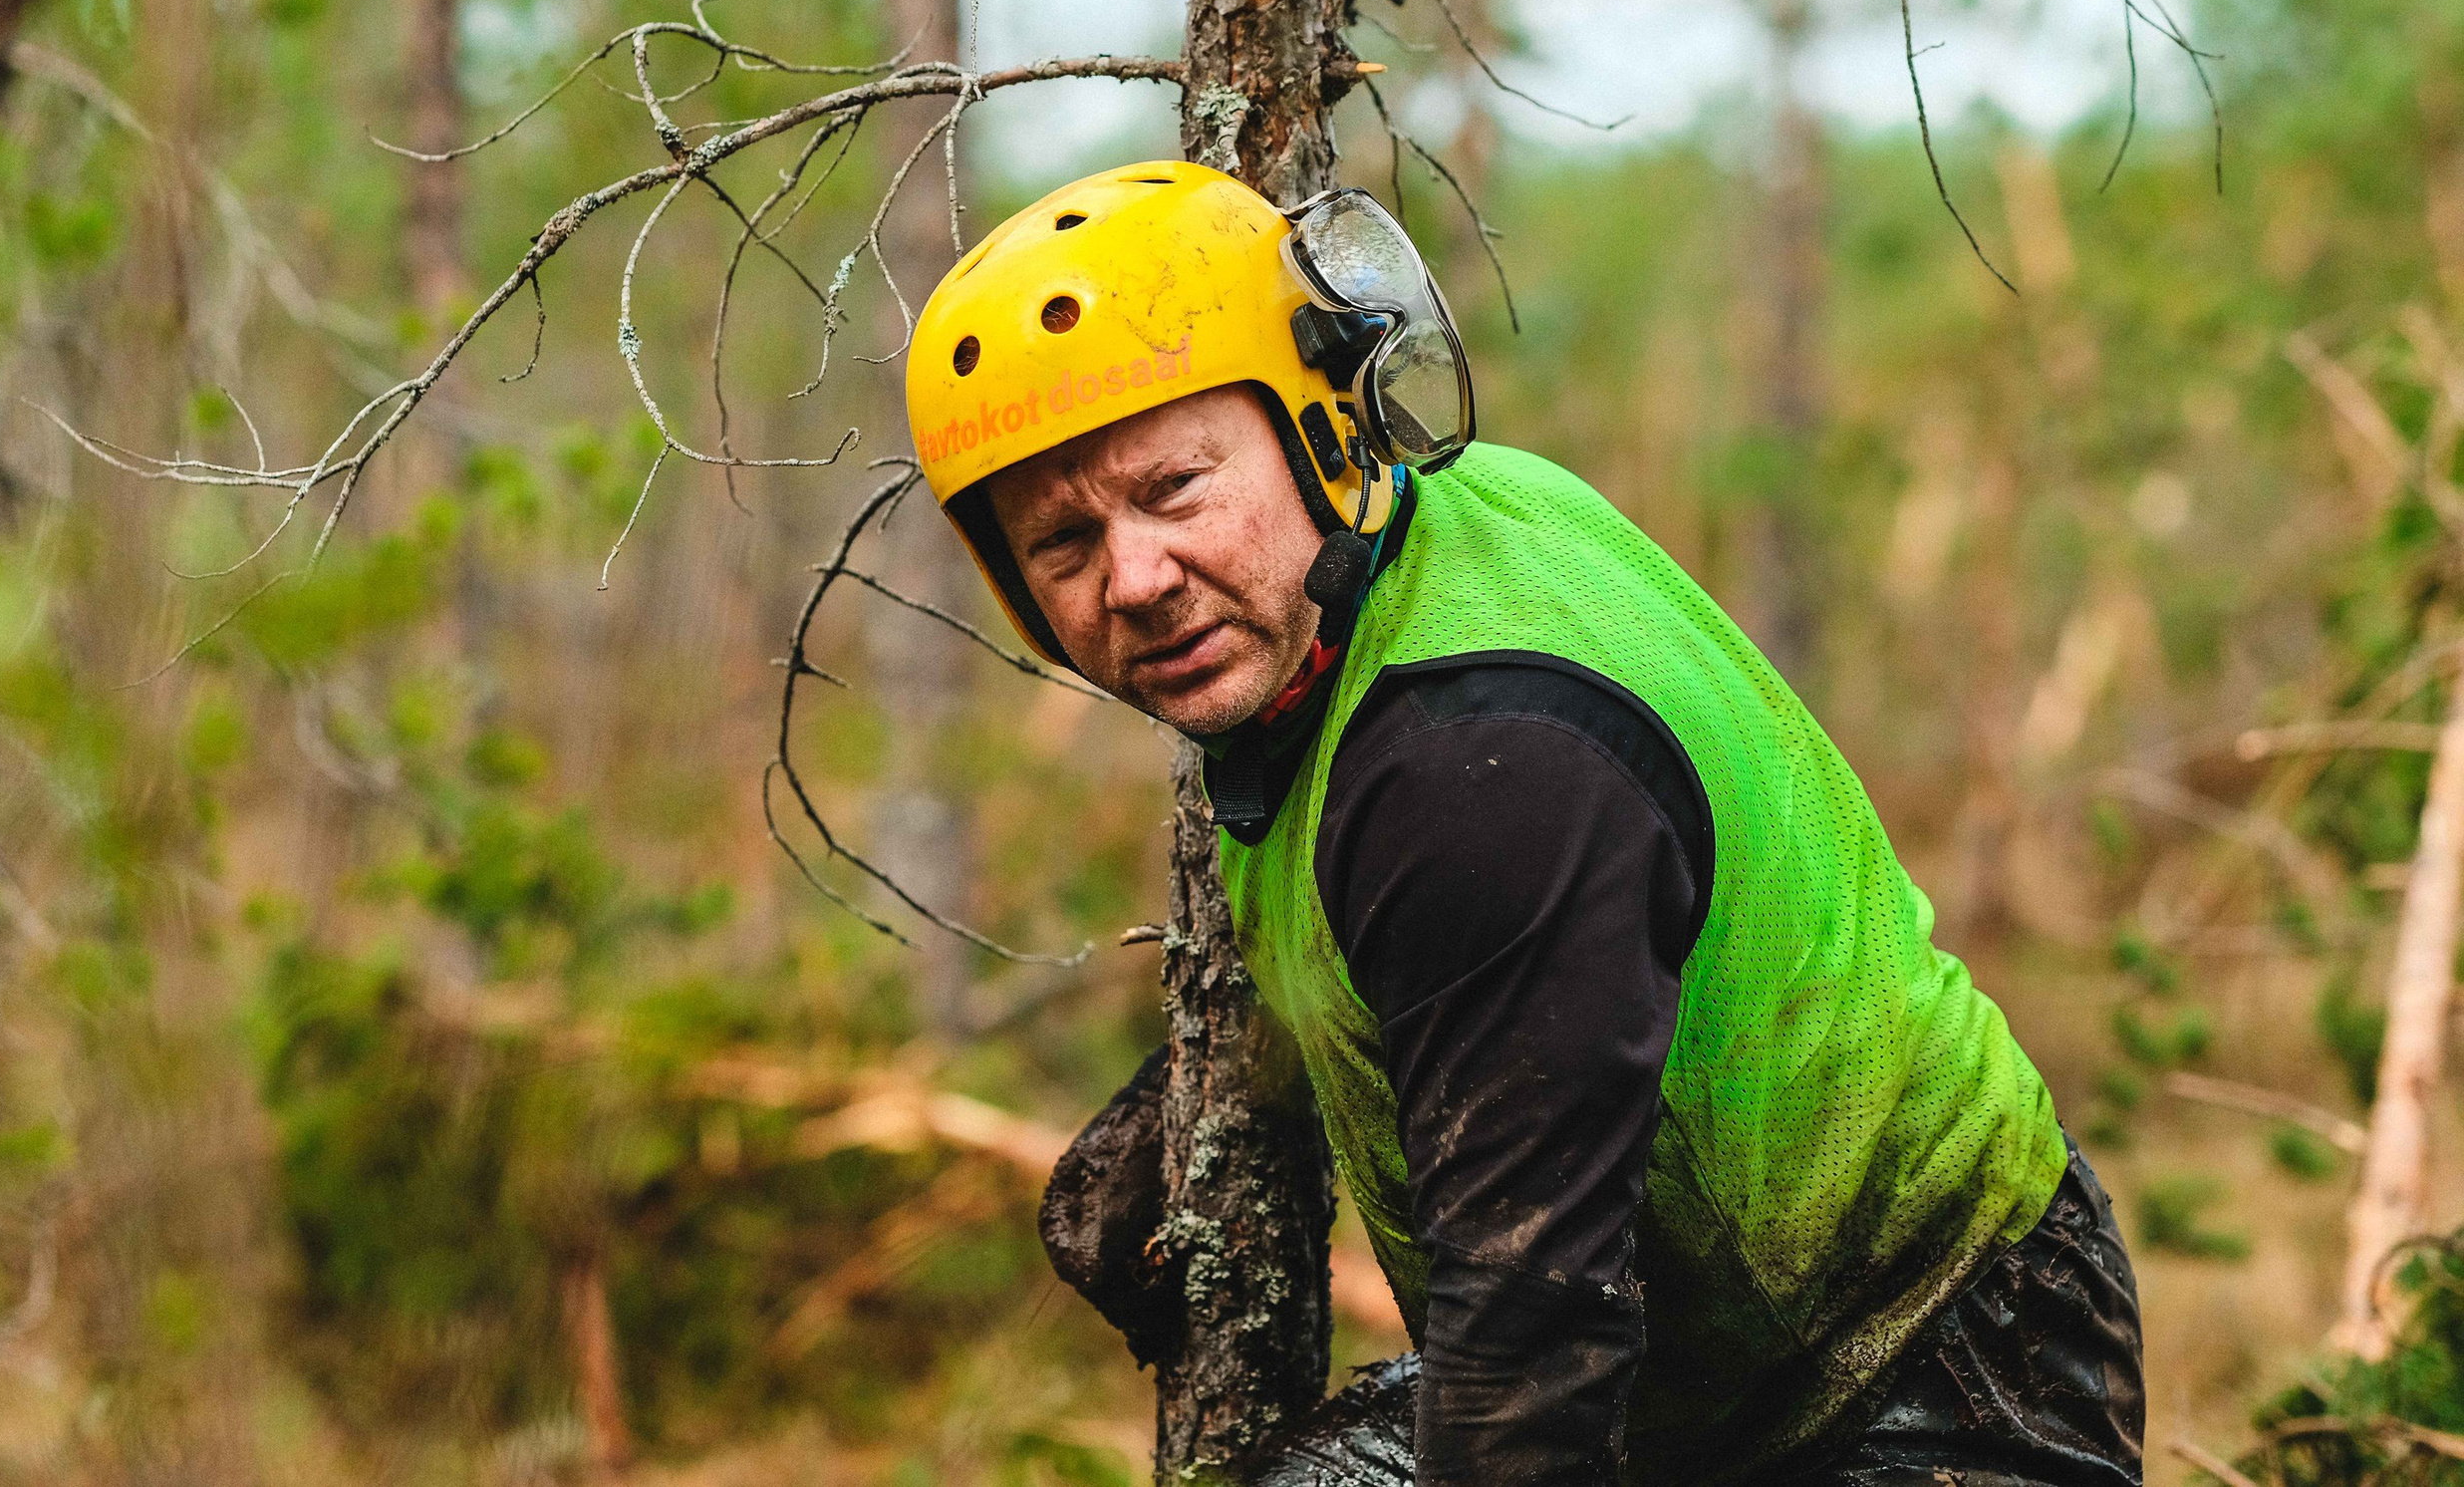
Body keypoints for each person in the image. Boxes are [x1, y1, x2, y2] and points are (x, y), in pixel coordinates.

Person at [902, 160, 2144, 1487]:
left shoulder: (1472, 769)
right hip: (1690, 1360)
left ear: (1321, 426)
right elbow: (1448, 963)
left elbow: (1528, 1346)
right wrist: (1186, 1114)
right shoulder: (1407, 553)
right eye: (1062, 543)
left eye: (1174, 491)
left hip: (1935, 1366)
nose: (1136, 580)